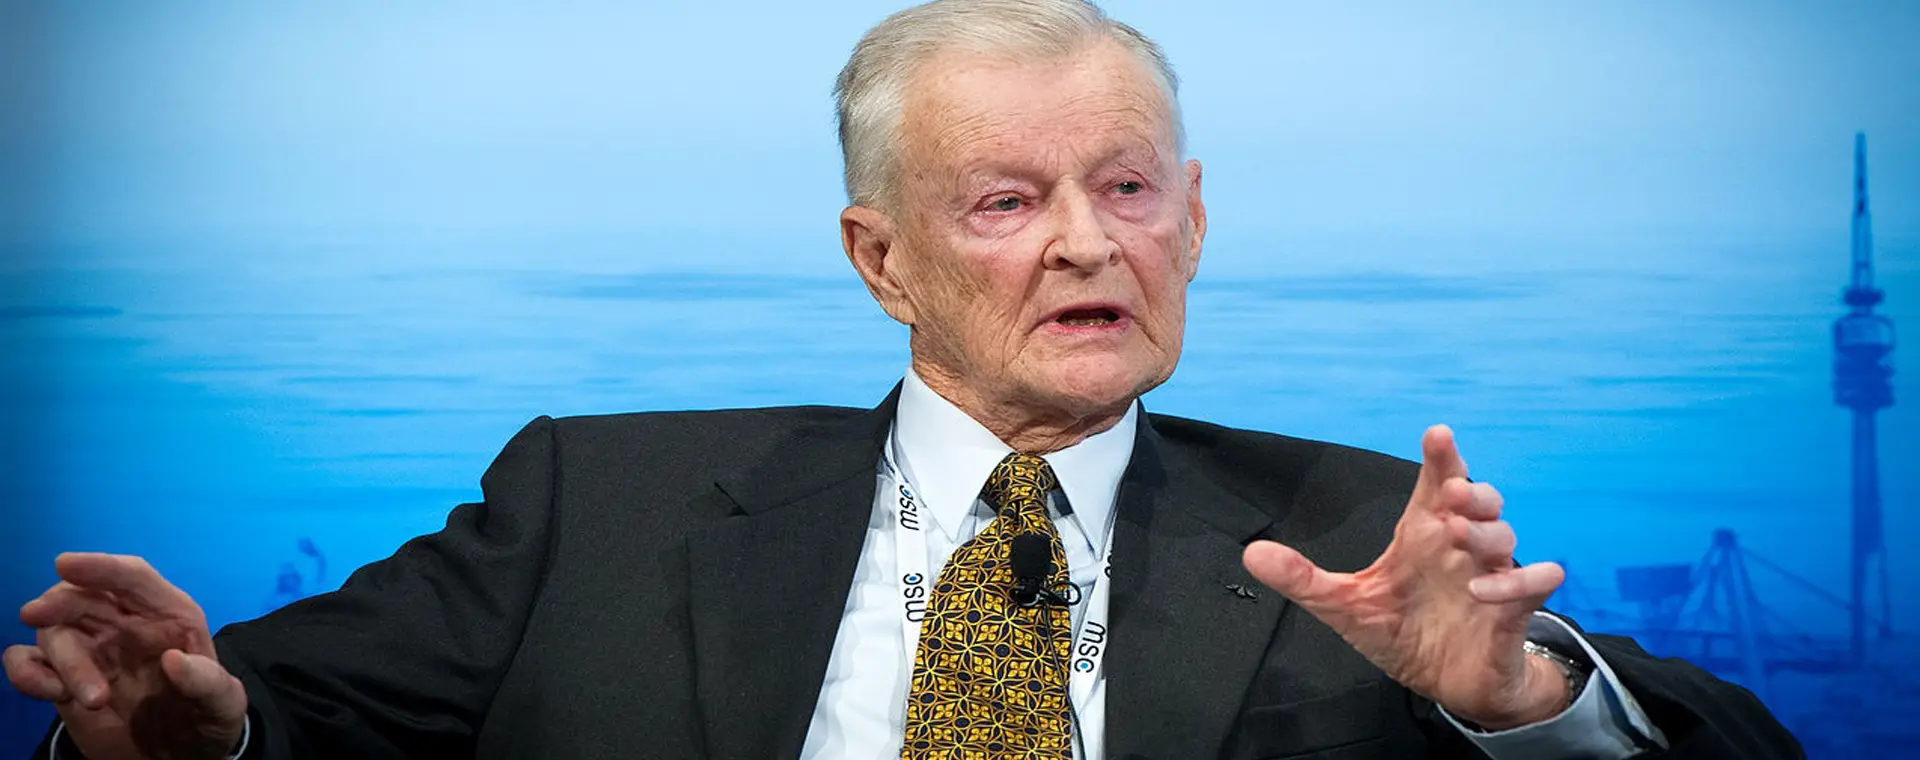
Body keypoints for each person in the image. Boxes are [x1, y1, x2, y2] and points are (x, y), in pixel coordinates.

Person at [5, 1, 1800, 758]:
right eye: (1007, 203)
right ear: (882, 261)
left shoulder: (1348, 522)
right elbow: (259, 716)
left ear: (1194, 221)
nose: (1089, 245)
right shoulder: (593, 500)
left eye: (1129, 189)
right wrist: (187, 737)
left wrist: (1521, 704)